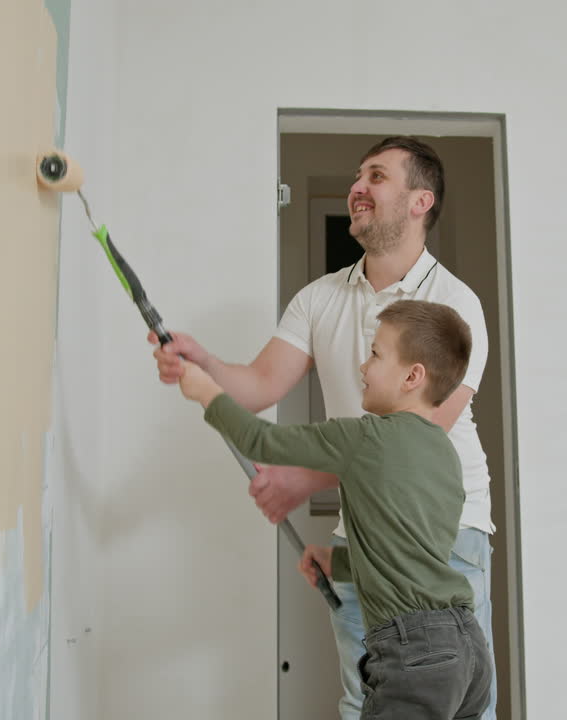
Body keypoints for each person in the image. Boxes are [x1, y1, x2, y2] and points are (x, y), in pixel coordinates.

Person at [152, 136, 496, 719]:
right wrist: (203, 364)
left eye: (378, 176)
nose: (357, 187)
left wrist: (301, 480)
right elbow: (261, 385)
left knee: (460, 711)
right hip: (359, 531)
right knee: (365, 698)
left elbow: (414, 439)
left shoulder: (453, 306)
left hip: (447, 532)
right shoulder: (320, 298)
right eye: (358, 175)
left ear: (420, 201)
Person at [175, 300, 491, 719]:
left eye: (376, 354)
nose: (363, 366)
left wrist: (206, 392)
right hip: (467, 647)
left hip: (415, 653)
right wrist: (338, 562)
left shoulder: (364, 438)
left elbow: (260, 441)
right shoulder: (446, 455)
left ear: (413, 376)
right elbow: (409, 551)